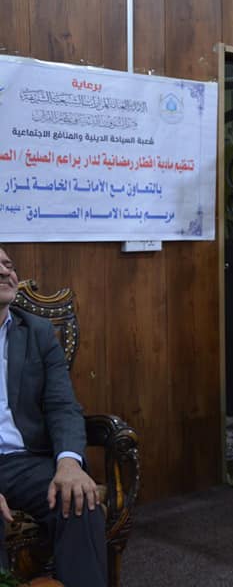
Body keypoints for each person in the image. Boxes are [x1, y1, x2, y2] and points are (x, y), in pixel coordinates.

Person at [0, 246, 107, 586]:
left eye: (8, 265)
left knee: (79, 501)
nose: (5, 272)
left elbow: (63, 405)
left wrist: (69, 463)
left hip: (24, 462)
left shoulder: (37, 331)